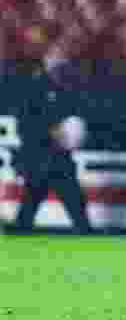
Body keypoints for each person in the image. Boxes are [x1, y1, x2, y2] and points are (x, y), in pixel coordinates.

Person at [10, 26, 92, 235]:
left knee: (77, 209)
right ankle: (19, 232)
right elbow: (24, 124)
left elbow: (75, 119)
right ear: (47, 59)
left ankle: (85, 234)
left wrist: (73, 134)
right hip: (38, 157)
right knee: (30, 206)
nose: (60, 61)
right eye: (56, 55)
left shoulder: (67, 88)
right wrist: (49, 131)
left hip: (60, 158)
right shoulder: (34, 87)